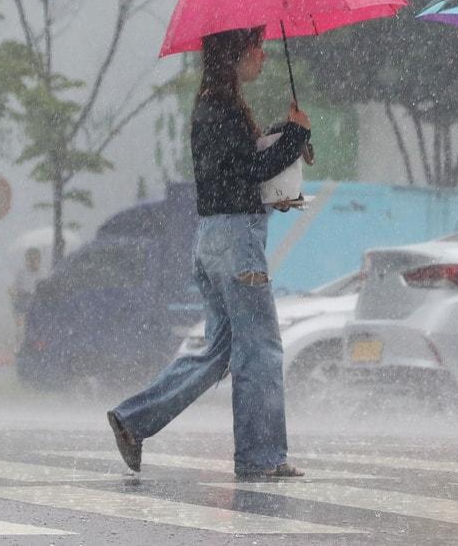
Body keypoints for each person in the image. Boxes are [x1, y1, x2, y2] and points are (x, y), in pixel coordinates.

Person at [107, 27, 311, 479]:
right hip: (237, 243)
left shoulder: (214, 106)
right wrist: (295, 137)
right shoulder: (220, 109)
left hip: (213, 239)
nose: (264, 55)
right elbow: (251, 169)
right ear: (236, 55)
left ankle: (134, 421)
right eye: (256, 47)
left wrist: (284, 135)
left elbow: (239, 169)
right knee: (260, 350)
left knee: (218, 351)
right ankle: (260, 457)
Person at [8, 247, 46, 337]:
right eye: (30, 258)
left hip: (37, 306)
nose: (32, 261)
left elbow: (45, 291)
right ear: (26, 259)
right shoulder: (21, 273)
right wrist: (14, 293)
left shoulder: (43, 274)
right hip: (22, 305)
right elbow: (15, 288)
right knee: (21, 329)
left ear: (39, 260)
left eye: (35, 258)